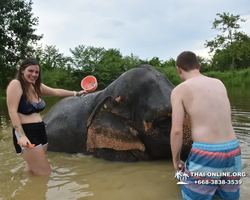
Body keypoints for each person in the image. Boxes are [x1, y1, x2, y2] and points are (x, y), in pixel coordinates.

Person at [170, 51, 242, 200]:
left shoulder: (179, 91)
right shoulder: (219, 83)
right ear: (199, 66)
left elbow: (177, 131)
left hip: (207, 154)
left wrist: (176, 161)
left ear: (179, 69)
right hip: (234, 151)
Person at [6, 58, 87, 176]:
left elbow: (56, 92)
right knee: (46, 174)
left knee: (31, 169)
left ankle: (25, 190)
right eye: (30, 71)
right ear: (22, 70)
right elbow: (12, 112)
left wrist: (77, 94)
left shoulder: (35, 86)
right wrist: (22, 136)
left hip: (40, 130)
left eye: (36, 72)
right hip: (27, 133)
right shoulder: (16, 84)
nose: (34, 75)